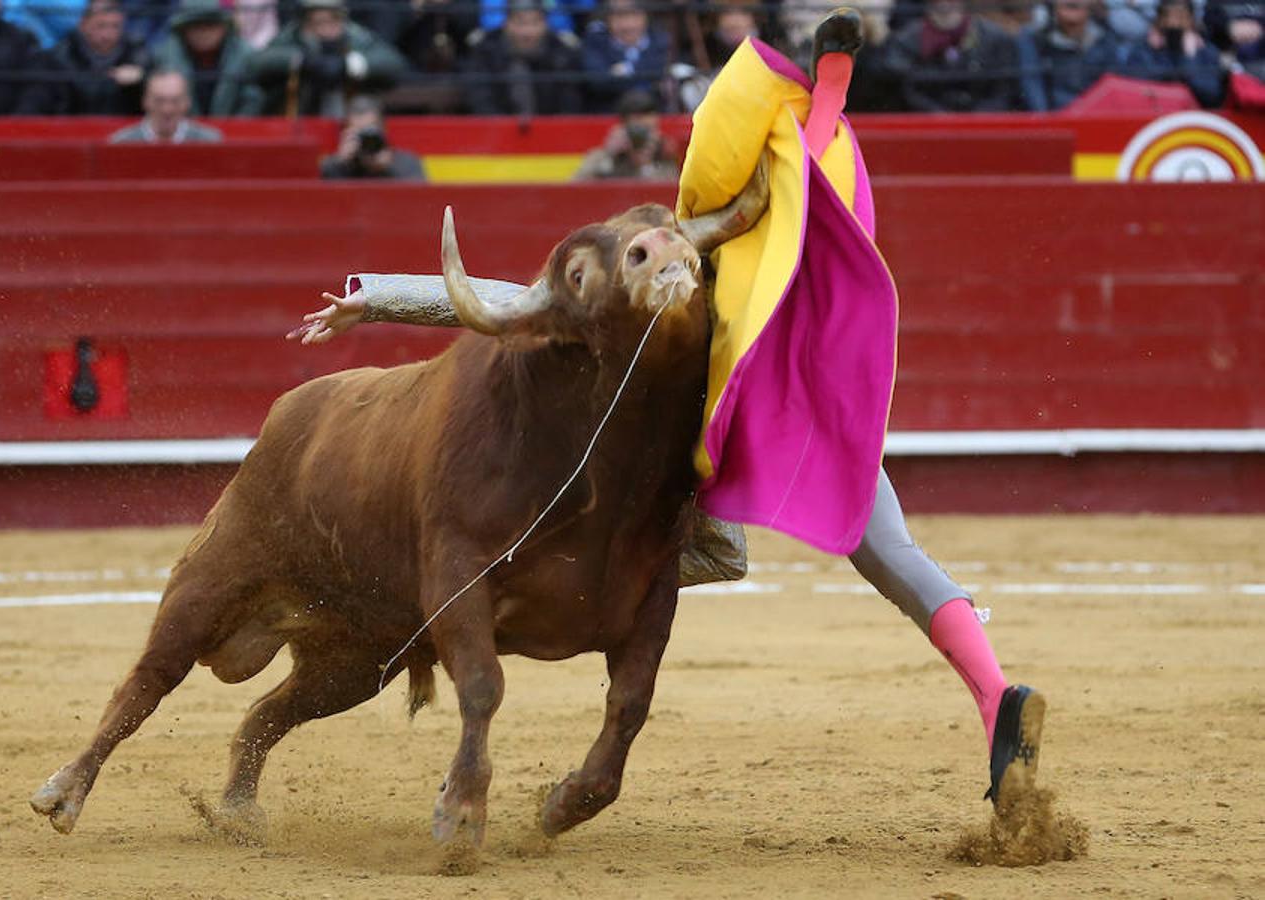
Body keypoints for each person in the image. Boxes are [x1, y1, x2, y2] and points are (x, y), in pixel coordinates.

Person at [293, 8, 1050, 812]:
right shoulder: (781, 236)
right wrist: (830, 74)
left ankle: (989, 696)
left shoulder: (693, 249)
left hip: (701, 463)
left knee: (672, 541)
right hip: (806, 426)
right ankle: (991, 691)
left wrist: (372, 298)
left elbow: (517, 304)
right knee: (892, 552)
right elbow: (816, 146)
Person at [248, 0, 407, 117]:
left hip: (348, 125)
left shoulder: (355, 37)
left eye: (332, 20)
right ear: (305, 22)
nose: (325, 29)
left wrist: (348, 65)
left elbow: (393, 63)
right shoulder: (293, 36)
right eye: (317, 22)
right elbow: (259, 63)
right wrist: (302, 61)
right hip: (299, 123)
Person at [882, 0, 1021, 111]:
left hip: (985, 130)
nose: (945, 4)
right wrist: (939, 117)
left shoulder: (995, 38)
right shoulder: (904, 41)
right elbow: (902, 90)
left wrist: (976, 119)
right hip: (926, 130)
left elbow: (1005, 91)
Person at [462, 0, 584, 115]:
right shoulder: (485, 50)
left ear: (546, 24)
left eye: (535, 22)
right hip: (496, 132)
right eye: (520, 22)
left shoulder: (562, 52)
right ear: (506, 23)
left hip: (551, 133)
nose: (527, 32)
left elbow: (569, 104)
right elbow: (481, 100)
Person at [149, 0, 262, 116]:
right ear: (183, 30)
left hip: (237, 130)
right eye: (196, 26)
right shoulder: (165, 56)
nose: (203, 33)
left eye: (210, 25)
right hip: (181, 131)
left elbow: (252, 99)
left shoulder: (245, 55)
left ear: (224, 27)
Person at [1017, 0, 1131, 110]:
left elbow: (1114, 84)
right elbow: (1032, 87)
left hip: (1097, 118)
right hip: (1056, 122)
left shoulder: (1107, 36)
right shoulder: (1033, 39)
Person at [39, 0, 149, 114]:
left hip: (124, 127)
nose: (107, 34)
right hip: (74, 127)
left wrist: (141, 79)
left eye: (115, 26)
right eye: (101, 26)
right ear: (83, 25)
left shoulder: (136, 52)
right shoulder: (61, 56)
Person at [1124, 0, 1225, 105]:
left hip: (1192, 116)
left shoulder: (1206, 51)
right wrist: (1154, 50)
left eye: (1180, 18)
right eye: (1166, 17)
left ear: (1191, 21)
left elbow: (1212, 95)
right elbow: (1134, 89)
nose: (1172, 24)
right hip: (1155, 113)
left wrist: (1189, 57)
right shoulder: (1143, 50)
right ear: (1158, 21)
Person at [580, 0, 673, 112]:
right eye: (620, 17)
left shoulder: (660, 40)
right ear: (609, 19)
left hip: (653, 113)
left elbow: (659, 71)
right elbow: (597, 82)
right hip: (608, 113)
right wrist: (643, 80)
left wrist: (623, 72)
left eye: (633, 15)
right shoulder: (596, 41)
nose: (627, 25)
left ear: (645, 17)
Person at [573, 88, 680, 180]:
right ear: (622, 128)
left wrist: (646, 166)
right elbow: (576, 188)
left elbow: (671, 194)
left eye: (648, 130)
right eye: (636, 130)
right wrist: (609, 156)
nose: (641, 137)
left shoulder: (665, 156)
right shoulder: (601, 156)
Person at [319, 94, 424, 179]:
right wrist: (339, 163)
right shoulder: (337, 166)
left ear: (383, 130)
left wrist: (387, 169)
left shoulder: (407, 163)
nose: (366, 140)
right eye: (359, 133)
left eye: (370, 131)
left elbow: (420, 199)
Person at [108, 68, 223, 141]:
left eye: (175, 101)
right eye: (159, 100)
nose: (167, 109)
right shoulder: (122, 142)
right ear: (145, 101)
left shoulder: (210, 141)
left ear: (187, 102)